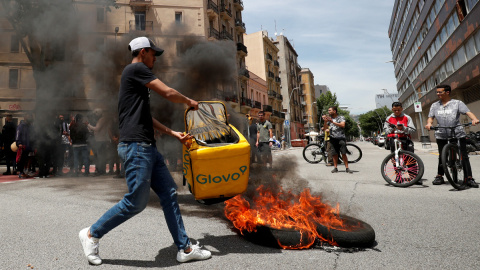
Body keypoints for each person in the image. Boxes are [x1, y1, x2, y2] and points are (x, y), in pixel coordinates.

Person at [78, 36, 211, 265]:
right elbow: (168, 93)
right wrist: (189, 100)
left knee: (169, 194)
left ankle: (184, 248)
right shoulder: (136, 69)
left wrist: (173, 133)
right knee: (135, 203)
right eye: (153, 54)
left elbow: (145, 117)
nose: (155, 59)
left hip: (147, 147)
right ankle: (92, 233)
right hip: (136, 148)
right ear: (143, 52)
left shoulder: (133, 82)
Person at [425, 84, 479, 188]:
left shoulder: (457, 103)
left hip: (457, 133)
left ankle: (469, 178)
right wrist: (429, 124)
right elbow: (430, 117)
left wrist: (474, 119)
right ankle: (439, 176)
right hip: (441, 134)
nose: (438, 94)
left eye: (440, 92)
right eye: (437, 92)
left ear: (447, 92)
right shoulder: (434, 105)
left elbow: (468, 112)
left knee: (464, 156)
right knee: (442, 155)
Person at [322, 106, 352, 173]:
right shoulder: (330, 119)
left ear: (334, 111)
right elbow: (325, 128)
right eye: (328, 110)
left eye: (330, 110)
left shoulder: (341, 117)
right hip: (332, 138)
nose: (328, 112)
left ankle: (347, 168)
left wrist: (332, 122)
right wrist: (325, 122)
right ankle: (335, 168)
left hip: (341, 138)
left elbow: (342, 125)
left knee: (343, 153)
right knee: (334, 154)